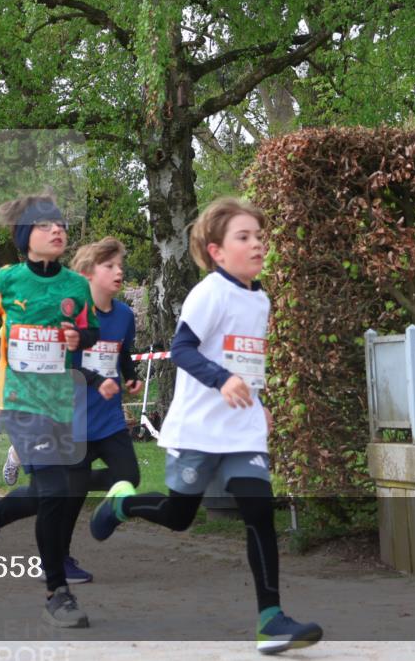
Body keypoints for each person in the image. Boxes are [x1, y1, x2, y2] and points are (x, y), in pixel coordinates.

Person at [89, 197, 323, 655]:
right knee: (180, 517)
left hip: (241, 426)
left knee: (258, 508)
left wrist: (258, 402)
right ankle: (122, 506)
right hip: (198, 427)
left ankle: (270, 619)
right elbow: (182, 350)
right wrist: (224, 381)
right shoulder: (209, 293)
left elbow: (246, 361)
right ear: (216, 252)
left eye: (259, 235)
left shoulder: (262, 299)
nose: (257, 244)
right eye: (244, 237)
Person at [0, 190, 99, 628]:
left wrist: (82, 340)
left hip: (64, 400)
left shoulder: (77, 287)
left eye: (59, 223)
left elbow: (90, 331)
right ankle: (56, 592)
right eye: (45, 225)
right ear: (26, 238)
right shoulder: (8, 280)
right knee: (55, 489)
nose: (57, 229)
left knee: (58, 491)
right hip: (20, 400)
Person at [55, 237, 143, 584]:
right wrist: (94, 381)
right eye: (110, 266)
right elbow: (62, 364)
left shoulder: (124, 314)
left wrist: (131, 375)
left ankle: (74, 492)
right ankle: (59, 559)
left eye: (120, 265)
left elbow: (122, 351)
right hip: (73, 418)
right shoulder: (72, 316)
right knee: (71, 497)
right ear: (88, 274)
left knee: (129, 478)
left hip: (107, 418)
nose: (119, 271)